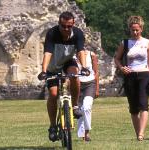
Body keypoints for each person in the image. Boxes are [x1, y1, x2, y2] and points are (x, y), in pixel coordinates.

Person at [37, 11, 90, 142]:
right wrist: (44, 70)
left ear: (73, 25)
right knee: (53, 95)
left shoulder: (77, 34)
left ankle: (75, 106)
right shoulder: (52, 33)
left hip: (68, 61)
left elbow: (81, 51)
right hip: (53, 66)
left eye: (69, 26)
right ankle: (53, 126)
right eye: (63, 26)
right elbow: (48, 53)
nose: (66, 29)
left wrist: (84, 67)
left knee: (75, 76)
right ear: (59, 24)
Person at [114, 16, 149, 141]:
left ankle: (141, 134)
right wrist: (122, 68)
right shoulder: (125, 43)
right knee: (133, 108)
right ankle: (138, 132)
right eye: (132, 30)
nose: (135, 32)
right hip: (130, 76)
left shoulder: (147, 43)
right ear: (130, 29)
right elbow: (117, 58)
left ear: (141, 29)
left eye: (137, 30)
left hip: (144, 75)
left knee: (143, 104)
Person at [76, 50, 99, 142]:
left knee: (86, 107)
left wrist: (97, 88)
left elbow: (96, 72)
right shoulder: (72, 56)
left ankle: (87, 132)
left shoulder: (91, 54)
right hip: (76, 85)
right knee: (79, 109)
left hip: (90, 84)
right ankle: (82, 134)